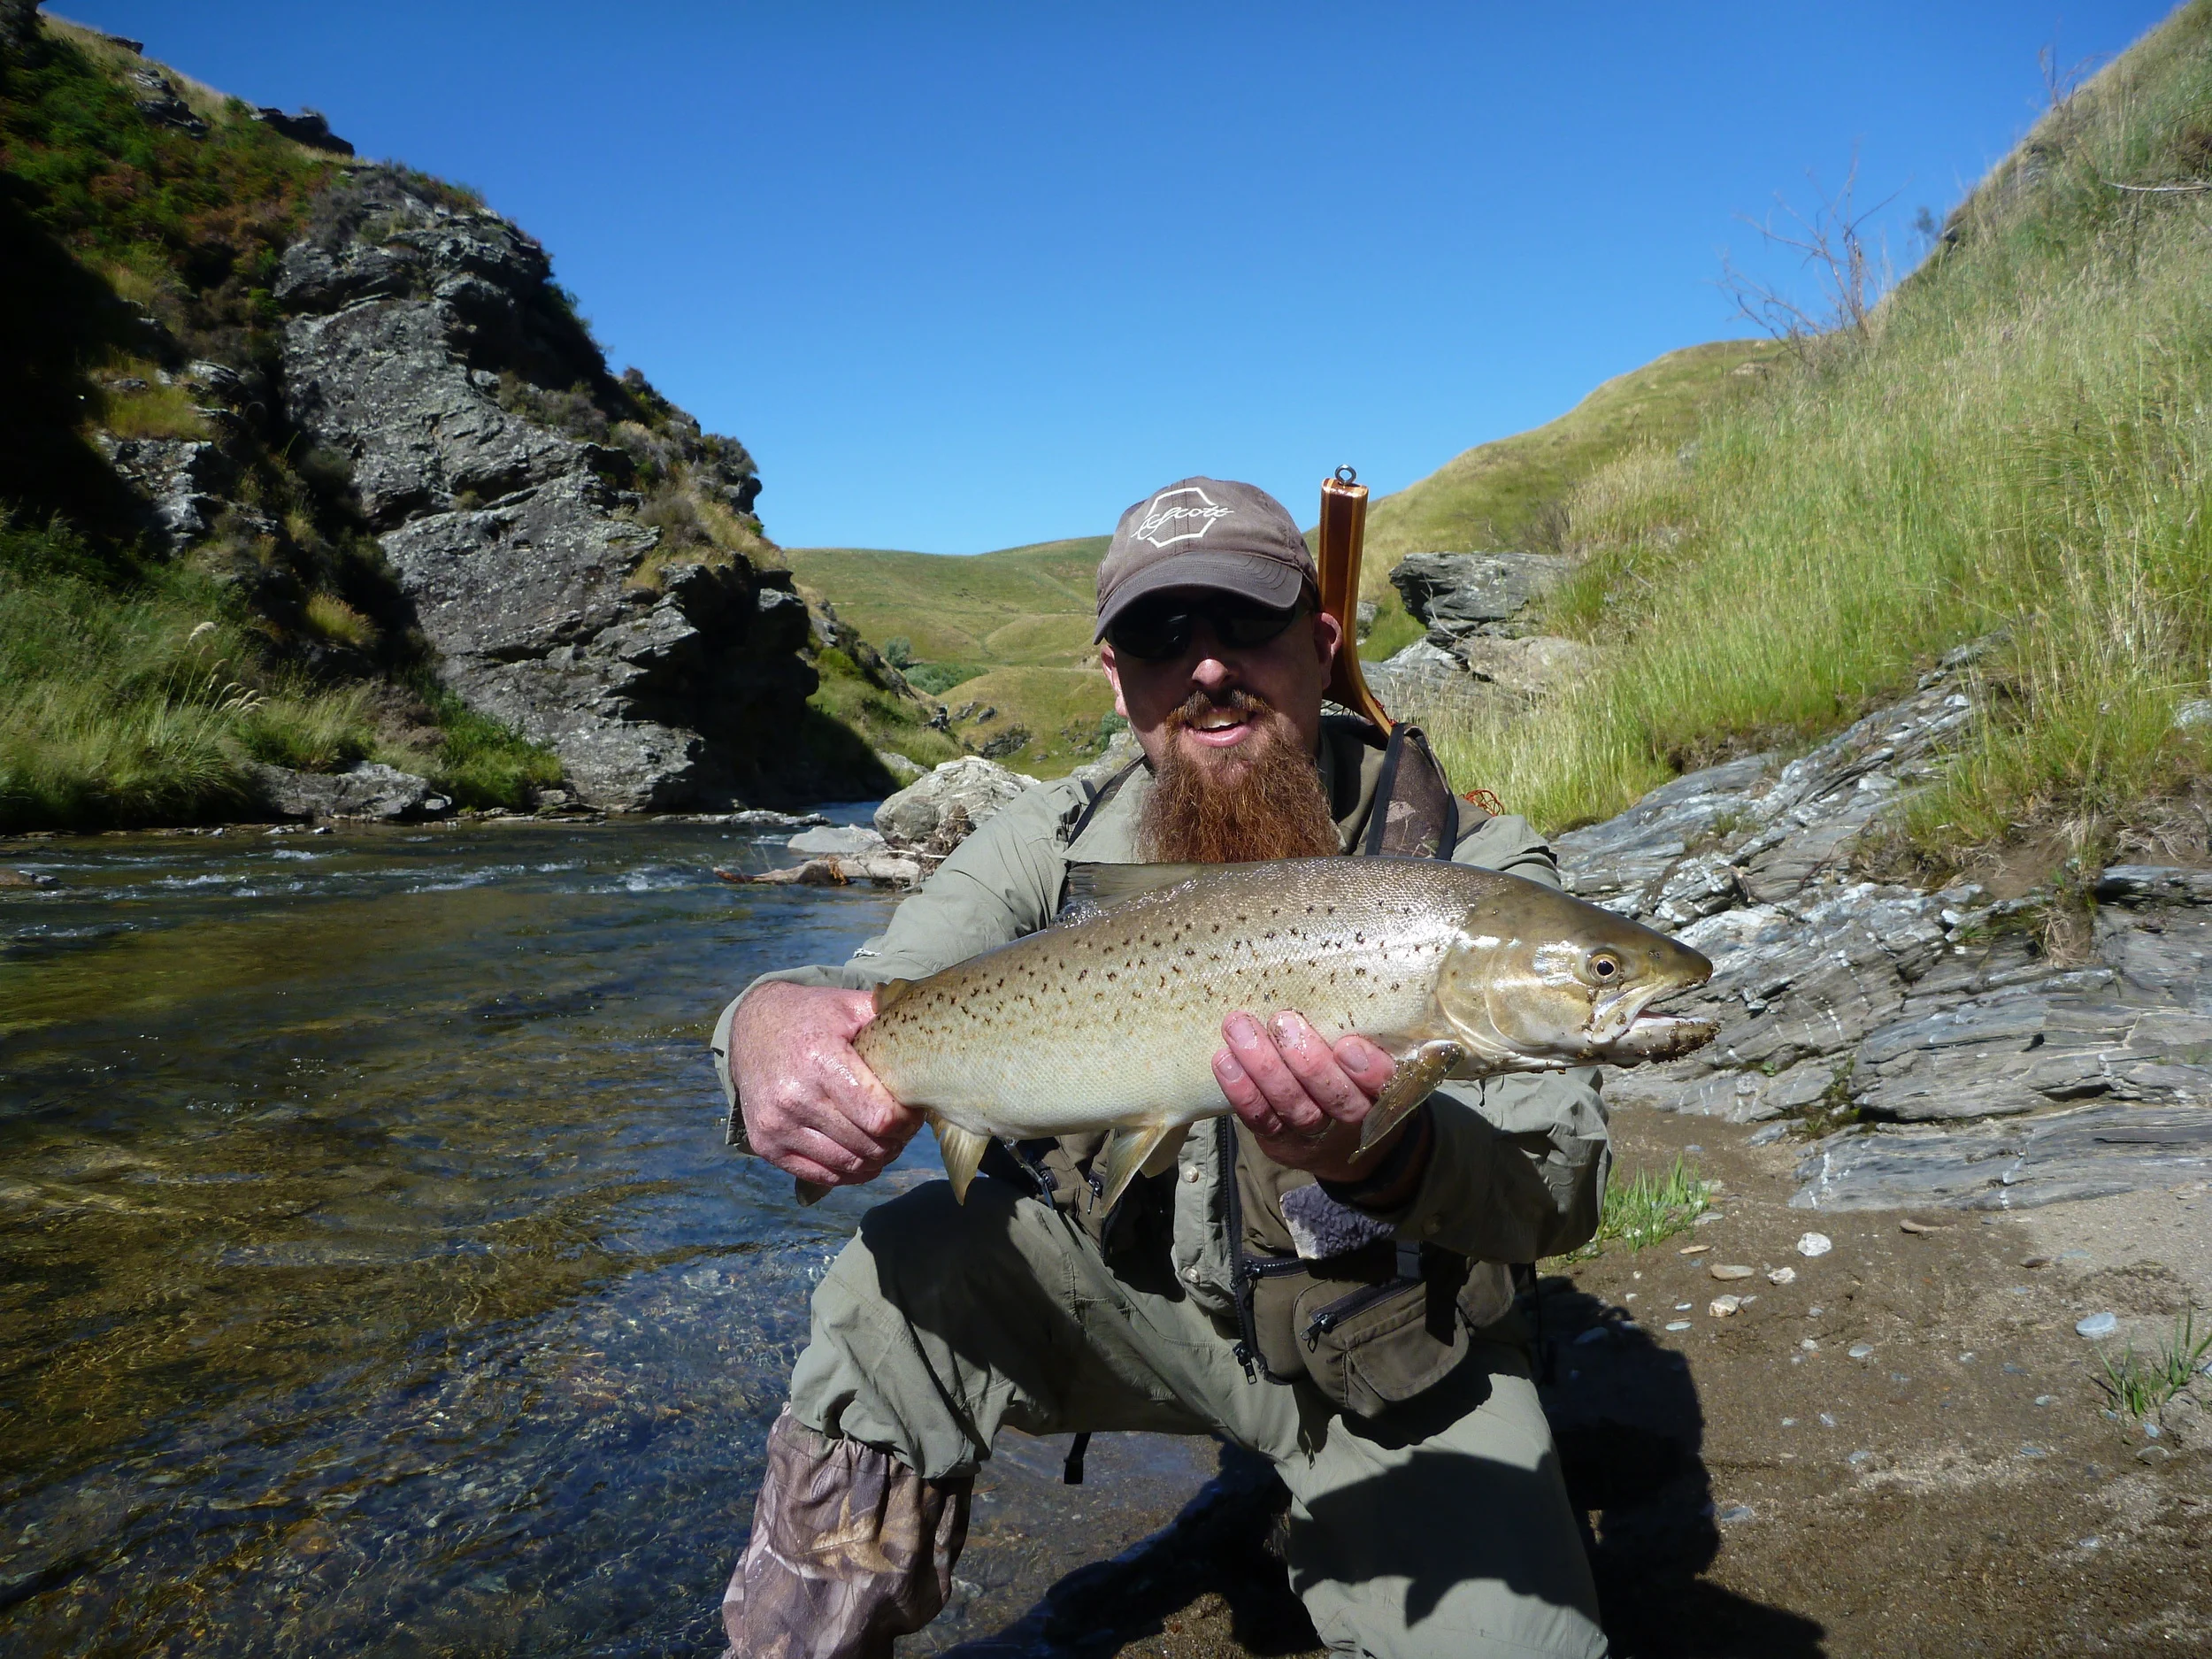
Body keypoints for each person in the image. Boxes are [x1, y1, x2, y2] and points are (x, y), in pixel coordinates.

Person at [709, 478, 1612, 1659]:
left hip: (1398, 1348)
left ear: (1322, 641)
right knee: (898, 1276)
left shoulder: (1471, 872)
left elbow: (1564, 1186)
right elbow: (864, 998)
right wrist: (761, 1022)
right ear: (1113, 671)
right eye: (1158, 633)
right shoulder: (1049, 838)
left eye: (1243, 621)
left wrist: (1390, 1159)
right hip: (1137, 1319)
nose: (1206, 667)